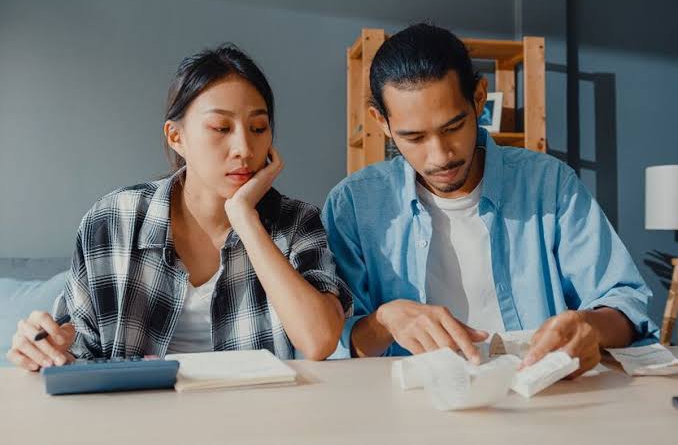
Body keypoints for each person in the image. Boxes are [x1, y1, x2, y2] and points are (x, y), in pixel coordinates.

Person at [322, 23, 657, 377]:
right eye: (415, 137)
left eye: (453, 127)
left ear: (479, 98)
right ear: (382, 122)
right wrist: (385, 321)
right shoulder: (354, 205)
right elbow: (331, 344)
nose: (440, 156)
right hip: (410, 413)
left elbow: (625, 302)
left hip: (543, 402)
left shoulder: (549, 184)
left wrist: (591, 327)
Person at [7, 43, 352, 371]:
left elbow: (318, 340)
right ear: (176, 137)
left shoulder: (296, 221)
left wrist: (245, 219)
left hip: (256, 421)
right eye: (221, 128)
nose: (244, 148)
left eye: (258, 128)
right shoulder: (113, 220)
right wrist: (45, 346)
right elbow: (76, 347)